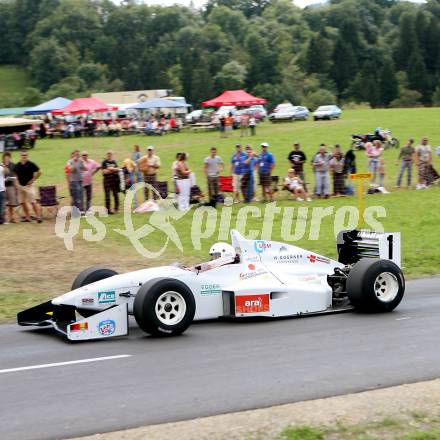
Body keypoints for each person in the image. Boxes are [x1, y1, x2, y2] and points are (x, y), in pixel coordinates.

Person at [14, 151, 42, 222]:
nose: (24, 156)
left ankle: (38, 217)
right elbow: (15, 174)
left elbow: (40, 172)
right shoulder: (17, 165)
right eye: (23, 155)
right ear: (20, 156)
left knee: (33, 201)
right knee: (22, 202)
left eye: (25, 155)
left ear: (27, 156)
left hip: (29, 186)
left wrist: (33, 180)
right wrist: (17, 183)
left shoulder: (31, 164)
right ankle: (27, 217)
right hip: (21, 186)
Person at [101, 150, 120, 214]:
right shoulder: (104, 162)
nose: (109, 155)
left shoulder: (114, 162)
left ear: (112, 155)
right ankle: (108, 210)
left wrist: (110, 169)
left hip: (114, 181)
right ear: (107, 155)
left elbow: (118, 169)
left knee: (116, 195)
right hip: (107, 181)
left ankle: (116, 208)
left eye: (110, 154)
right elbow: (104, 172)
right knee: (107, 196)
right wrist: (112, 169)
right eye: (108, 154)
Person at [2, 152, 18, 223]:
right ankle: (4, 218)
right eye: (5, 157)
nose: (7, 158)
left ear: (10, 158)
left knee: (11, 203)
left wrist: (16, 186)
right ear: (3, 158)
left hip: (11, 186)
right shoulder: (1, 165)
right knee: (3, 203)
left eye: (8, 157)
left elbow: (15, 176)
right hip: (3, 186)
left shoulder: (13, 165)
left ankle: (12, 217)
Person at [0, 159, 5, 225]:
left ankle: (1, 219)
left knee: (2, 206)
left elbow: (6, 171)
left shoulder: (1, 168)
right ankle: (1, 219)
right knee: (1, 206)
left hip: (1, 190)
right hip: (2, 190)